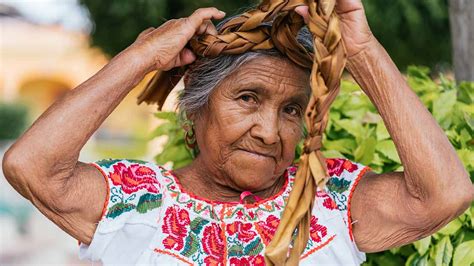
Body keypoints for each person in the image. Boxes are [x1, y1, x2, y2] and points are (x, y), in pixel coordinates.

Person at [2, 0, 472, 265]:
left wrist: (363, 51)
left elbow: (443, 194)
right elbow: (31, 165)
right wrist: (143, 56)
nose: (270, 132)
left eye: (292, 109)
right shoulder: (137, 202)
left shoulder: (330, 201)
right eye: (248, 98)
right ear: (195, 111)